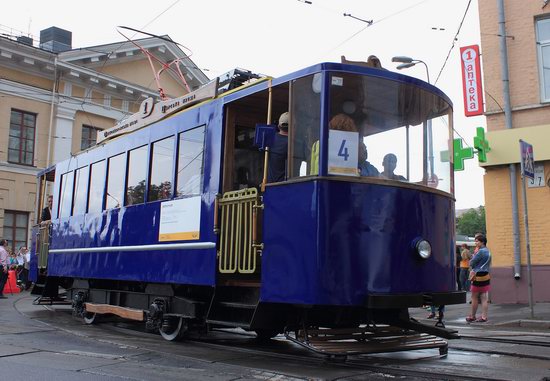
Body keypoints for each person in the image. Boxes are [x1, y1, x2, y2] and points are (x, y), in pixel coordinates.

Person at [466, 234, 491, 323]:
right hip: (486, 275)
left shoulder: (480, 252)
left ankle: (472, 316)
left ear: (482, 242)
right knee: (484, 297)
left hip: (478, 276)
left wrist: (473, 255)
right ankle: (484, 317)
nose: (475, 243)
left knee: (474, 297)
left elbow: (472, 263)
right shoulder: (488, 251)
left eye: (477, 241)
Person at [267, 112, 289, 183]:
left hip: (270, 186)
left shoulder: (269, 139)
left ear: (279, 126)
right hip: (288, 185)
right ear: (293, 126)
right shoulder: (295, 143)